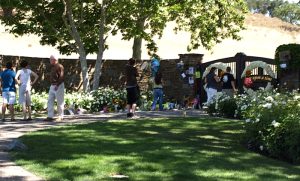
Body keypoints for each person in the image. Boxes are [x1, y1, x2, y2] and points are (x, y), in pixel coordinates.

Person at [44, 54, 64, 121]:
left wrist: (57, 85)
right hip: (52, 85)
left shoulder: (59, 66)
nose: (50, 61)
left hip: (58, 85)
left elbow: (61, 77)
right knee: (50, 100)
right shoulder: (53, 67)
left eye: (50, 59)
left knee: (60, 101)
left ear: (54, 60)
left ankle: (60, 116)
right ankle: (50, 116)